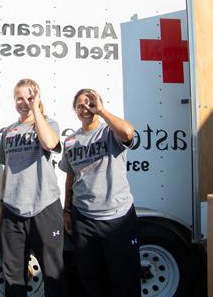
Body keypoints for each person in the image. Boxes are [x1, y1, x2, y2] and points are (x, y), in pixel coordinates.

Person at [59, 89, 140, 297]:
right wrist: (67, 210)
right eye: (80, 105)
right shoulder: (71, 141)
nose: (85, 108)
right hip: (84, 219)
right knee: (93, 281)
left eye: (90, 103)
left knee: (125, 281)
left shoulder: (110, 132)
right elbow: (71, 177)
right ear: (75, 111)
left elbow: (129, 132)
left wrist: (102, 111)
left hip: (118, 218)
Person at [0, 79, 64, 297]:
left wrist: (36, 112)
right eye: (20, 98)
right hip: (13, 210)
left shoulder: (49, 124)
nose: (24, 102)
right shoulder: (8, 132)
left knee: (54, 272)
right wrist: (1, 205)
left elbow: (50, 144)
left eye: (30, 98)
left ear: (38, 99)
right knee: (13, 274)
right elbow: (7, 169)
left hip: (44, 206)